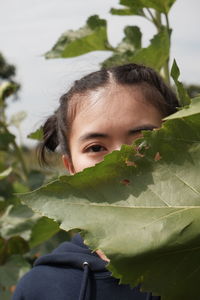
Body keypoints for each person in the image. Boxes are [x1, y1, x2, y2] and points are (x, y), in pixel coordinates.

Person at [13, 63, 179, 300]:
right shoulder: (41, 288)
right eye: (96, 147)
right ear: (71, 168)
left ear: (178, 147)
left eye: (144, 141)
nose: (122, 160)